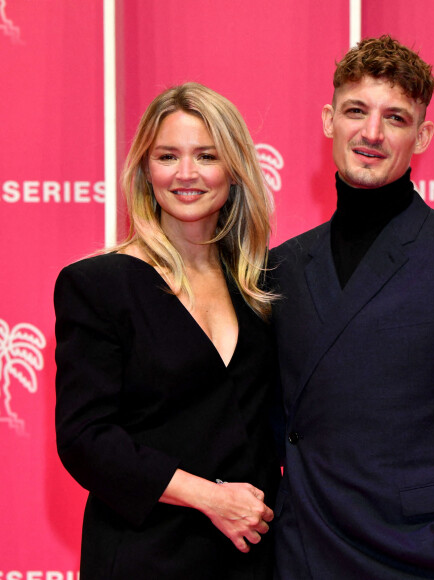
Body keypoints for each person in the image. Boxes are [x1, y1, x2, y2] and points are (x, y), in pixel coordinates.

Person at [270, 35, 434, 580]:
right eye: (356, 111)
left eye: (395, 117)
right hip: (303, 552)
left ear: (422, 134)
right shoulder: (282, 267)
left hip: (421, 556)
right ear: (328, 120)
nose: (371, 133)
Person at [54, 82, 280, 579]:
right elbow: (84, 439)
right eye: (167, 156)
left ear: (235, 170)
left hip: (251, 559)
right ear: (145, 170)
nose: (185, 174)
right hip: (145, 555)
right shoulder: (97, 284)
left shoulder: (262, 287)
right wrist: (212, 499)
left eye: (206, 155)